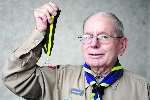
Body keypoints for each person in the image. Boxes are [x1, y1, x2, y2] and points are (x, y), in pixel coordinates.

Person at [2, 1, 150, 100]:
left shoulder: (143, 90)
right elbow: (14, 77)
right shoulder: (58, 79)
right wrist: (40, 31)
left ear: (122, 45)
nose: (93, 44)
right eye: (87, 36)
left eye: (104, 37)